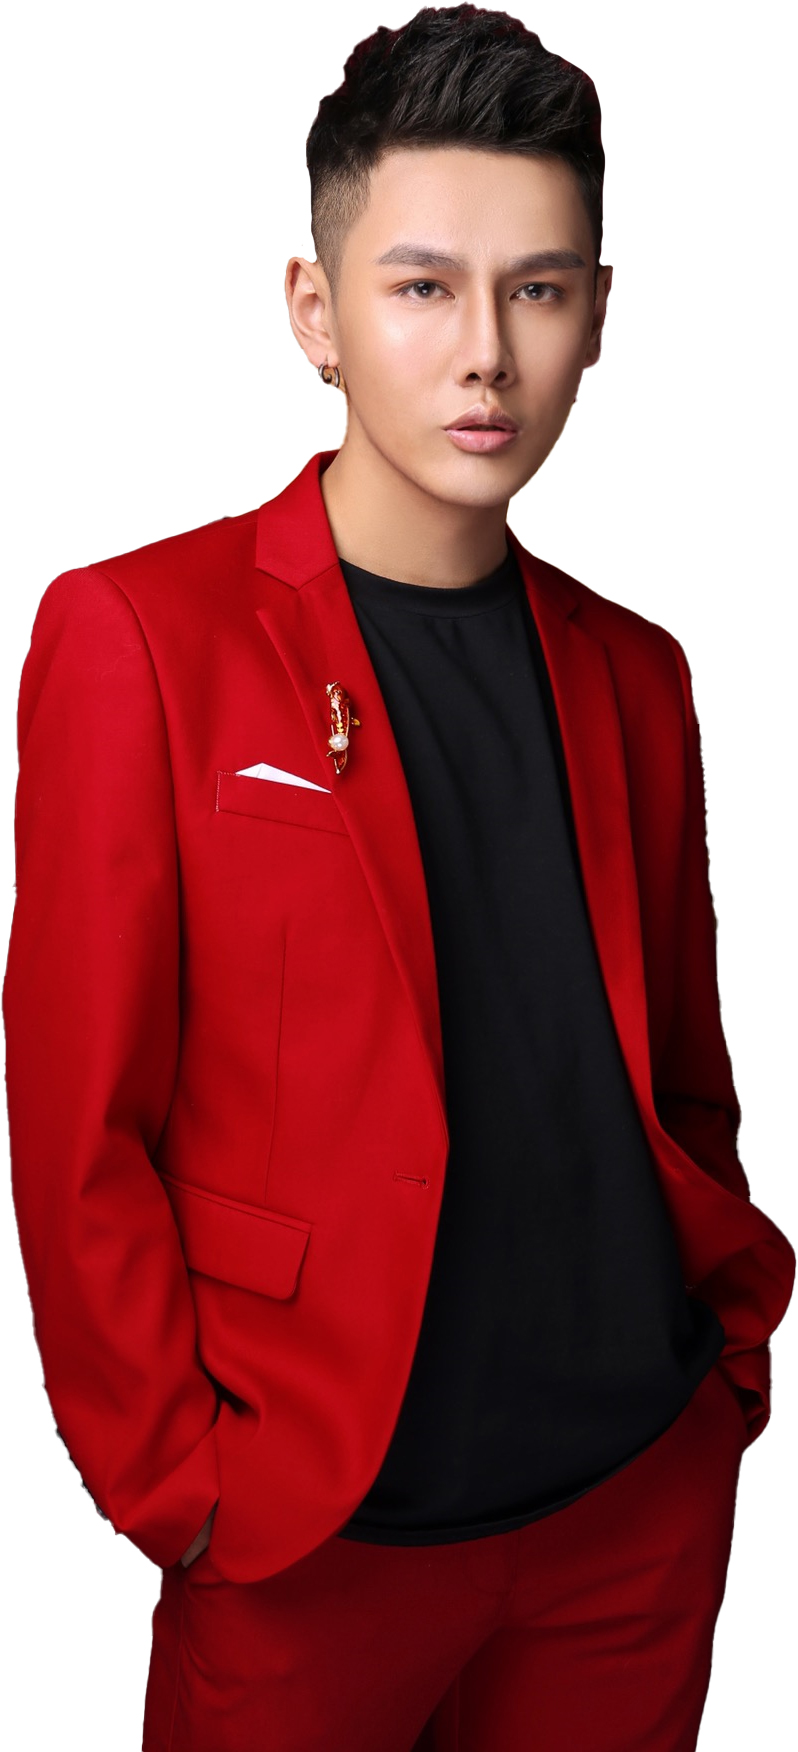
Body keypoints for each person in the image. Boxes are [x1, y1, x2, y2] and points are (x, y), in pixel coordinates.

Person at [3, 7, 794, 1750]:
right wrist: (179, 1489)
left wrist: (721, 1374)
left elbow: (678, 1066)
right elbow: (77, 1125)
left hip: (631, 1512)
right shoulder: (140, 637)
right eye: (423, 287)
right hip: (310, 1533)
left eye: (538, 289)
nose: (485, 354)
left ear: (597, 315)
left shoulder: (638, 672)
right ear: (317, 311)